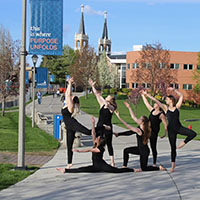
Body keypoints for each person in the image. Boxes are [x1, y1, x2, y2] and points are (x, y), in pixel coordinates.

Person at [142, 88, 197, 172]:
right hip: (171, 131)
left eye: (167, 99)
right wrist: (146, 95)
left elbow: (181, 96)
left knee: (193, 133)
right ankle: (173, 166)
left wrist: (174, 89)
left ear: (171, 100)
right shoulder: (165, 108)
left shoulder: (177, 107)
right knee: (173, 148)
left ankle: (184, 142)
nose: (166, 100)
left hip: (179, 128)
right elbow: (155, 100)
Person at [56, 117, 135, 174]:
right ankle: (65, 170)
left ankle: (133, 170)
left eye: (97, 138)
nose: (96, 138)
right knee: (81, 169)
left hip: (102, 166)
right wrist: (93, 123)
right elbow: (93, 133)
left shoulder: (100, 148)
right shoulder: (96, 143)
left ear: (99, 141)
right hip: (95, 167)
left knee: (117, 170)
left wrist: (79, 151)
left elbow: (90, 150)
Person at [114, 102, 166, 172]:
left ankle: (159, 168)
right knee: (126, 150)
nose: (138, 119)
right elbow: (132, 125)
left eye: (140, 119)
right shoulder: (142, 128)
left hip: (144, 152)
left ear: (142, 122)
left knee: (144, 168)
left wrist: (119, 117)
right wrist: (129, 107)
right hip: (140, 149)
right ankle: (124, 166)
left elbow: (127, 126)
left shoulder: (139, 130)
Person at [61, 77, 91, 169]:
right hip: (69, 127)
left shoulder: (70, 105)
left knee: (89, 132)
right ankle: (69, 163)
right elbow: (67, 94)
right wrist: (69, 84)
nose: (71, 96)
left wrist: (70, 83)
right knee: (69, 146)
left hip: (73, 124)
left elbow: (68, 94)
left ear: (73, 101)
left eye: (72, 97)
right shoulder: (67, 104)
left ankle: (102, 129)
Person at [88, 78, 117, 167]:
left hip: (107, 127)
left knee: (109, 144)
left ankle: (112, 162)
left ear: (111, 100)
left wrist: (105, 102)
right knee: (97, 142)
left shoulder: (112, 108)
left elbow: (110, 107)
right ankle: (97, 159)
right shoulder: (102, 104)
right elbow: (97, 95)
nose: (106, 97)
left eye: (108, 97)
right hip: (100, 126)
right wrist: (92, 86)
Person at [140, 90, 168, 166]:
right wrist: (143, 96)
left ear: (158, 105)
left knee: (153, 147)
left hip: (154, 132)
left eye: (156, 103)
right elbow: (146, 104)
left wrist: (165, 133)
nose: (155, 104)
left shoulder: (161, 115)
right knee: (143, 144)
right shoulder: (152, 110)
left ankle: (154, 162)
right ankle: (144, 158)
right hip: (148, 130)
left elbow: (165, 124)